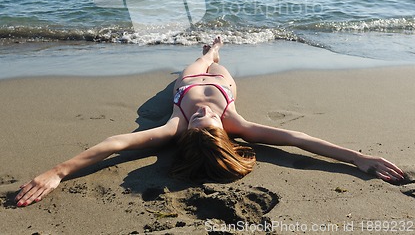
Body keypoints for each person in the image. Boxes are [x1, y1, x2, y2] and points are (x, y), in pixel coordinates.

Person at [15, 36, 405, 207]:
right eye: (207, 121)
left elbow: (115, 145)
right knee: (214, 61)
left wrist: (59, 171)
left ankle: (209, 51)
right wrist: (358, 158)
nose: (203, 114)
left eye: (200, 120)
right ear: (223, 135)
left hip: (187, 81)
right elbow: (298, 138)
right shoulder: (237, 125)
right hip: (221, 81)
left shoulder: (174, 128)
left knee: (200, 62)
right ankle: (213, 51)